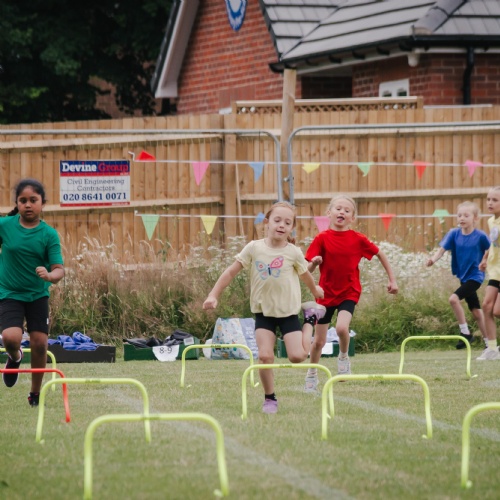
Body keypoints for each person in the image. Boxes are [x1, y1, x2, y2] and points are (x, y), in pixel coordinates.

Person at [203, 201, 325, 414]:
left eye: (287, 222)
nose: (281, 225)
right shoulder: (254, 248)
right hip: (263, 313)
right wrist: (213, 295)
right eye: (277, 220)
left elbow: (305, 275)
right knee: (265, 357)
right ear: (267, 222)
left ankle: (310, 319)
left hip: (288, 312)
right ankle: (270, 398)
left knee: (297, 357)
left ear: (291, 228)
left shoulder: (293, 252)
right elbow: (230, 272)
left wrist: (315, 290)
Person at [303, 194, 399, 393]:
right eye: (338, 209)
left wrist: (392, 280)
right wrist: (314, 263)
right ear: (329, 213)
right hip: (324, 295)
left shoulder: (358, 239)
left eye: (347, 211)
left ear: (352, 218)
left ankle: (343, 357)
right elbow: (307, 271)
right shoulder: (322, 238)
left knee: (341, 328)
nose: (342, 212)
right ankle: (311, 374)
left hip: (349, 291)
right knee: (318, 341)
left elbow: (380, 254)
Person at [1, 178, 65, 406]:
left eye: (33, 200)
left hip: (37, 295)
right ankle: (15, 356)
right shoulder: (5, 226)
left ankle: (35, 393)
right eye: (23, 200)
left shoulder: (49, 234)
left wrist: (49, 276)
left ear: (42, 203)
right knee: (11, 338)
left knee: (39, 344)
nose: (28, 204)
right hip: (9, 292)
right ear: (17, 203)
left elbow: (59, 270)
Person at [427, 201, 490, 349]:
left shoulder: (480, 236)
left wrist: (485, 260)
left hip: (476, 276)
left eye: (466, 215)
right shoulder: (454, 234)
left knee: (453, 299)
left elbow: (491, 249)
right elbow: (442, 250)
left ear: (475, 218)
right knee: (476, 312)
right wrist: (433, 260)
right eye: (459, 215)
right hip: (463, 277)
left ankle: (465, 333)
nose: (462, 218)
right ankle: (489, 344)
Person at [477, 186, 500, 360]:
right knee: (486, 306)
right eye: (488, 199)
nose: (490, 203)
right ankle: (492, 349)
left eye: (495, 200)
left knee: (498, 311)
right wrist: (485, 258)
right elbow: (493, 244)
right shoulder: (491, 221)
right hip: (495, 270)